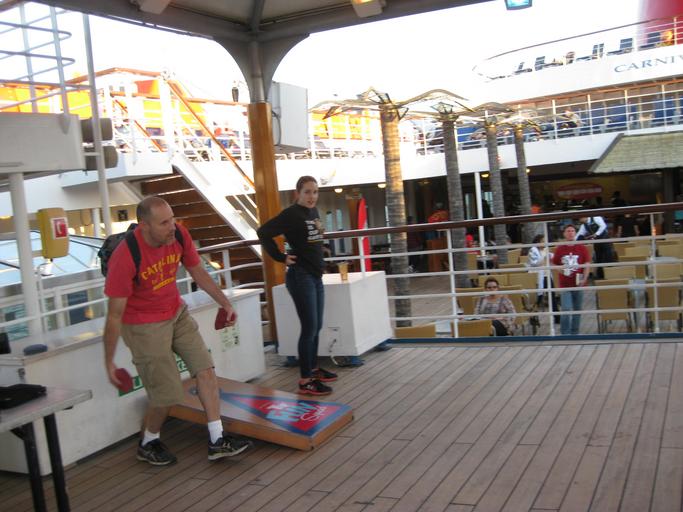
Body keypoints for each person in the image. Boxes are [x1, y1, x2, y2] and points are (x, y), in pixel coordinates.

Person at [103, 196, 251, 466]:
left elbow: (198, 272)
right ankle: (148, 441)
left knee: (205, 369)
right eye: (164, 223)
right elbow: (114, 316)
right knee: (167, 393)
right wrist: (109, 362)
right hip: (143, 325)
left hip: (175, 311)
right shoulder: (125, 257)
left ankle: (217, 439)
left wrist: (225, 303)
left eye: (172, 219)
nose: (172, 226)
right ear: (144, 226)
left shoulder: (178, 235)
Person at [257, 176, 338, 396]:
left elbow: (311, 240)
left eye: (315, 192)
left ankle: (313, 368)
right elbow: (263, 232)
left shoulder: (313, 212)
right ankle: (305, 381)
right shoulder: (291, 214)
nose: (312, 196)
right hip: (301, 276)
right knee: (309, 328)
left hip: (315, 275)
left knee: (316, 326)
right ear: (298, 193)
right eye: (307, 192)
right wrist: (280, 257)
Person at [552, 224, 590, 335]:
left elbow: (587, 264)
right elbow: (554, 263)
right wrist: (560, 269)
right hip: (565, 284)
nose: (570, 233)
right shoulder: (560, 248)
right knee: (566, 308)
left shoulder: (582, 247)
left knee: (577, 309)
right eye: (568, 231)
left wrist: (585, 278)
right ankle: (565, 333)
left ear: (575, 233)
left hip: (578, 282)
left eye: (572, 231)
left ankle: (575, 332)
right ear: (564, 234)